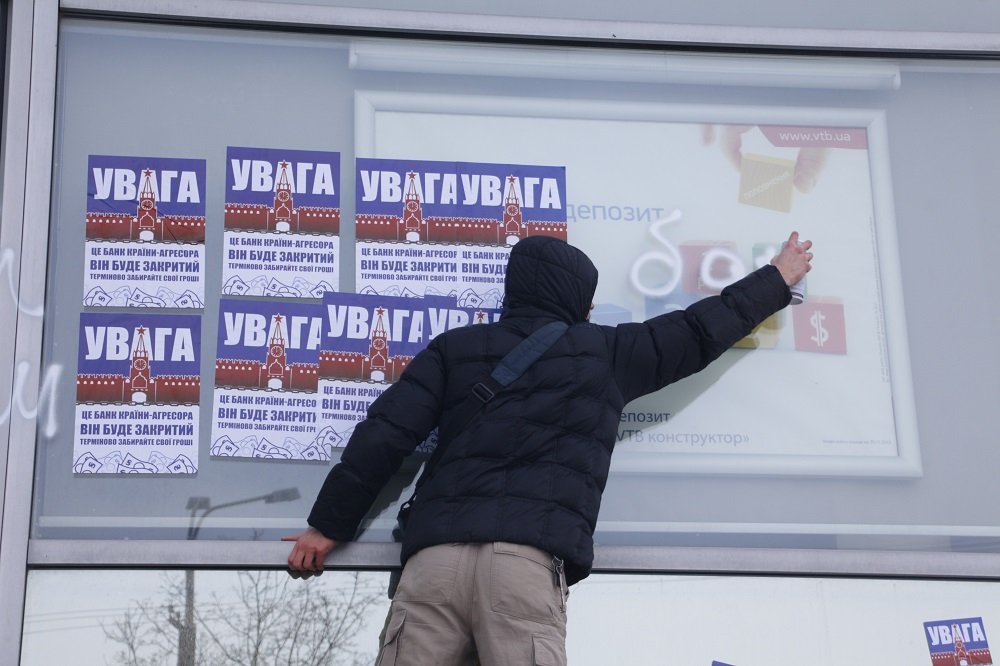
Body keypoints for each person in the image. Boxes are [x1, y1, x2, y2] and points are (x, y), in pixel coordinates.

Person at [285, 231, 813, 665]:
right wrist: (776, 280)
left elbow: (385, 436)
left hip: (435, 563)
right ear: (581, 303)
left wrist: (328, 525)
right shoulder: (607, 354)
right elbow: (700, 330)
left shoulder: (454, 350)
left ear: (512, 291)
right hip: (524, 570)